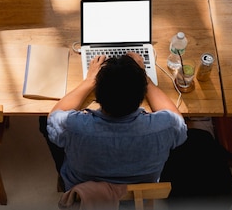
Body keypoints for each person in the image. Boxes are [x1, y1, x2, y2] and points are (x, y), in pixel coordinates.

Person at [40, 53, 187, 192]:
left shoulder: (74, 127)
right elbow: (178, 121)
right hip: (137, 196)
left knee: (43, 122)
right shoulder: (164, 127)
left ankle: (62, 178)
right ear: (142, 96)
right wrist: (145, 80)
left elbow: (53, 117)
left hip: (84, 193)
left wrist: (89, 81)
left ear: (98, 96)